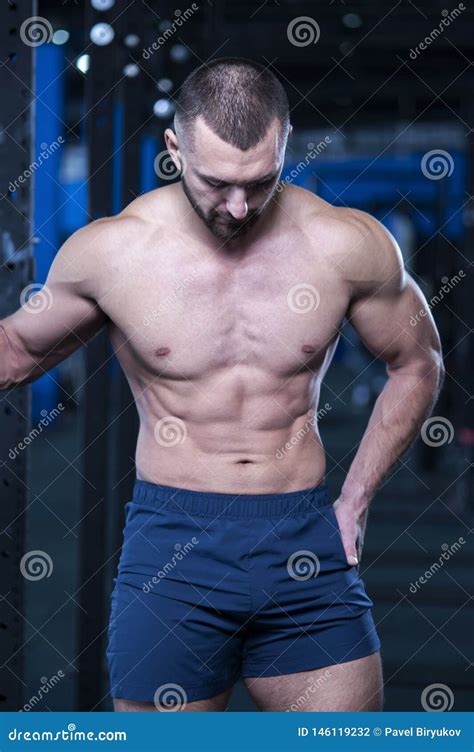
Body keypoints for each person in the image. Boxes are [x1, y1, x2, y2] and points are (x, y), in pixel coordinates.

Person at [0, 57, 444, 712]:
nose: (237, 207)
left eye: (259, 183)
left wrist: (355, 500)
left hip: (303, 544)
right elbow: (14, 349)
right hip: (173, 546)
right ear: (175, 149)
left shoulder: (345, 245)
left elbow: (418, 360)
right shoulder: (114, 254)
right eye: (217, 184)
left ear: (286, 143)